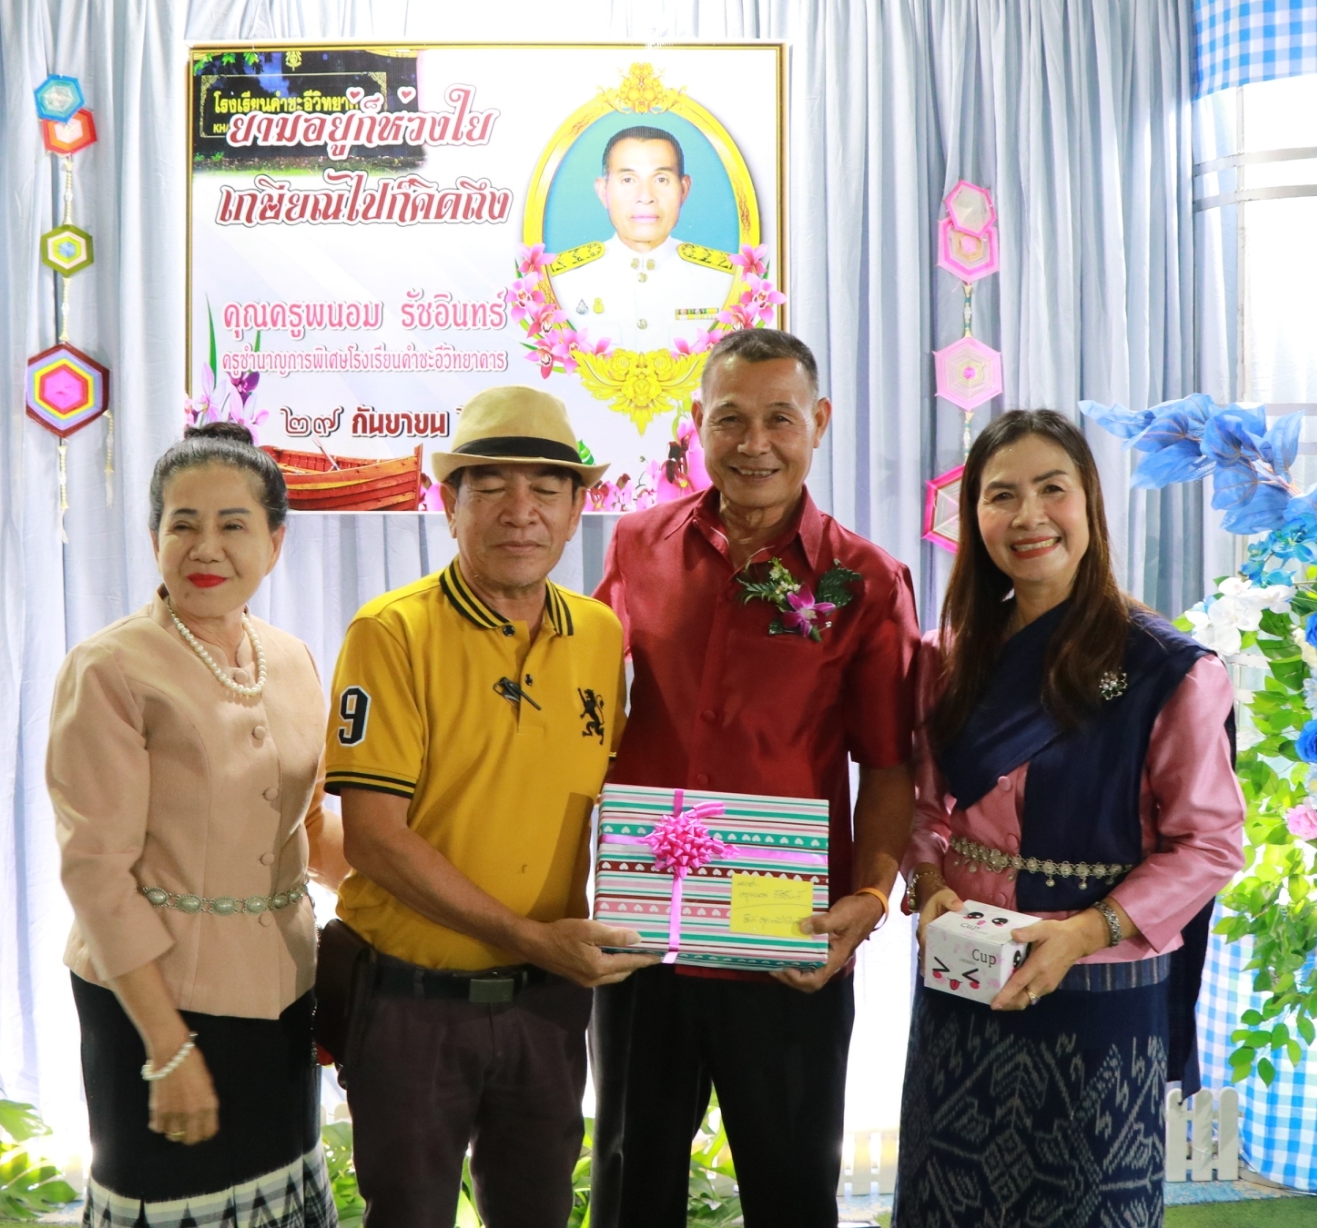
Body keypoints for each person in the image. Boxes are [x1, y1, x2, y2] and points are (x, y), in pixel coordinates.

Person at [588, 328, 920, 1228]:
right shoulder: (638, 543)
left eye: (780, 418)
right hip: (645, 938)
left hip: (787, 941)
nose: (755, 443)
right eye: (730, 418)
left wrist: (869, 899)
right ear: (698, 422)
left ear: (819, 422)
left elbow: (888, 762)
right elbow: (590, 707)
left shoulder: (866, 580)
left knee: (792, 1191)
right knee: (629, 1185)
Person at [894, 409, 1244, 1228]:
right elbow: (923, 806)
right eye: (1001, 495)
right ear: (973, 516)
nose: (1029, 516)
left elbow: (1209, 843)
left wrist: (1083, 932)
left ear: (1089, 500)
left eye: (1052, 489)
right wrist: (930, 880)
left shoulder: (1165, 669)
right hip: (966, 975)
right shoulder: (946, 658)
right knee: (950, 1201)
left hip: (1101, 985)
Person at [323, 385, 652, 1228]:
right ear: (449, 503)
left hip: (547, 1004)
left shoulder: (600, 635)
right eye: (492, 485)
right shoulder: (392, 633)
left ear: (577, 510)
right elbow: (374, 839)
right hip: (411, 1004)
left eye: (546, 488)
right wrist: (529, 935)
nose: (520, 510)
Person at [45, 422, 347, 1228]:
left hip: (284, 993)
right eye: (183, 523)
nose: (205, 547)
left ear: (274, 542)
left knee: (276, 1193)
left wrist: (413, 898)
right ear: (155, 539)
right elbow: (96, 875)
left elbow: (310, 826)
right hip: (152, 999)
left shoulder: (291, 657)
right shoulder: (110, 667)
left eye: (233, 524)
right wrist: (167, 1046)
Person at [548, 124, 736, 347]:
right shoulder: (560, 283)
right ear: (602, 191)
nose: (645, 197)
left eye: (661, 179)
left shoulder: (725, 280)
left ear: (684, 189)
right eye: (628, 180)